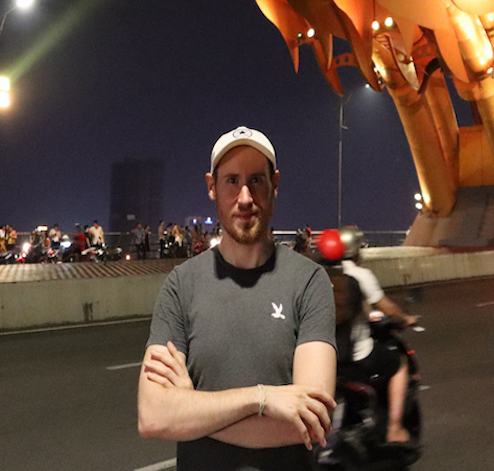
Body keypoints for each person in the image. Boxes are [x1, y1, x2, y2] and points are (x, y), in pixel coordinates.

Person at [138, 126, 336, 470]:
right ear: (212, 187)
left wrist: (191, 407)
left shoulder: (308, 282)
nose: (245, 197)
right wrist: (263, 398)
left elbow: (310, 420)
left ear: (275, 183)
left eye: (256, 180)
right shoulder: (181, 285)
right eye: (231, 181)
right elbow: (154, 416)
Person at [337, 225, 417, 443]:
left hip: (327, 354)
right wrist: (405, 319)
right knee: (399, 366)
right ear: (357, 250)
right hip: (357, 353)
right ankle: (394, 428)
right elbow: (388, 308)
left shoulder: (326, 274)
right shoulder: (360, 275)